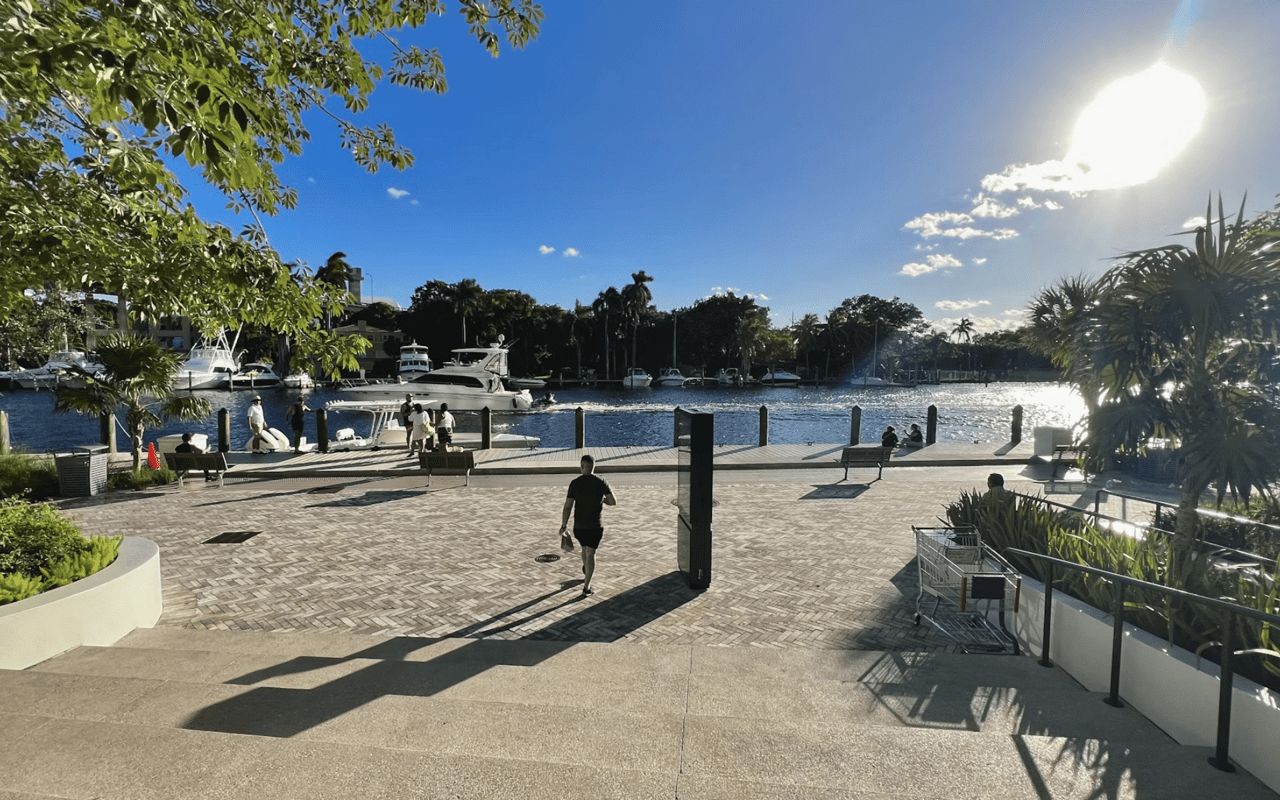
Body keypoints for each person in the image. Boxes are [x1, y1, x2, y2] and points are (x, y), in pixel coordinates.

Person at [560, 454, 617, 597]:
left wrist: (564, 525)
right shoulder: (601, 481)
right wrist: (602, 499)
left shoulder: (575, 483)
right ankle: (587, 587)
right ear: (593, 466)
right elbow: (613, 501)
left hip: (579, 527)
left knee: (584, 549)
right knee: (591, 553)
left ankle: (586, 568)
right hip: (595, 526)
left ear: (582, 466)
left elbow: (567, 506)